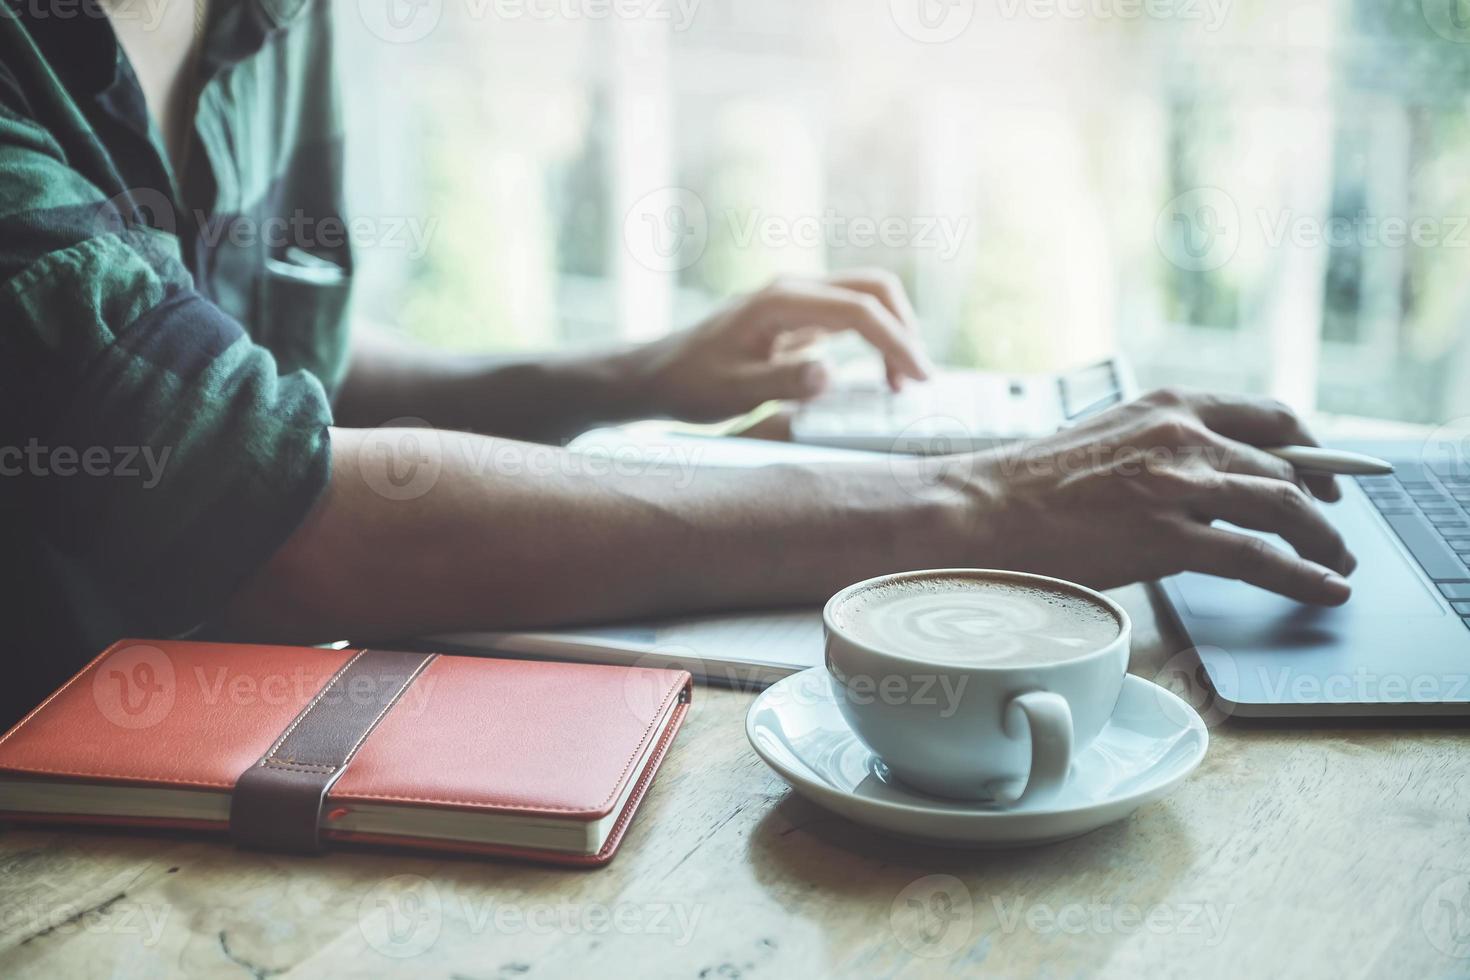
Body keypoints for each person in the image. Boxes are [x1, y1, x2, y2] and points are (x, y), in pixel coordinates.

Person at [0, 0, 1355, 725]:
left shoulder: (272, 16)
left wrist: (629, 372)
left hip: (198, 766)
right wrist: (983, 507)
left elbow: (281, 374)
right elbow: (276, 515)